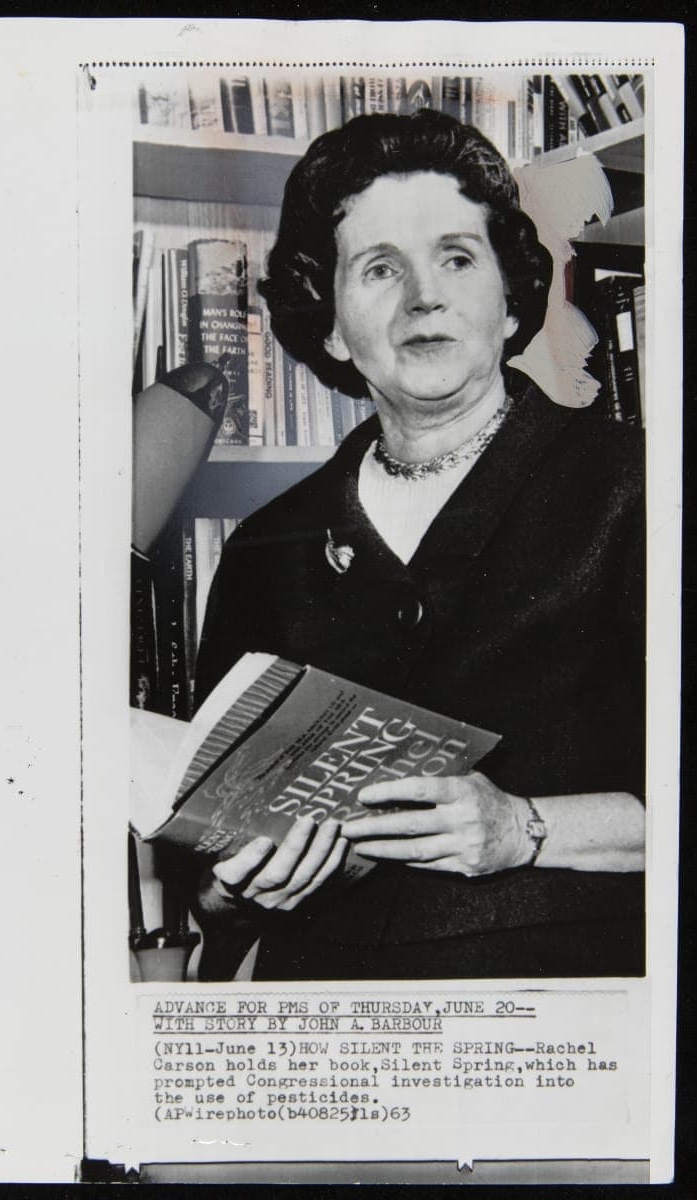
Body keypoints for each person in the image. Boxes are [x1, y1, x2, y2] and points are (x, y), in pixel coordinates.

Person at [190, 110, 645, 982]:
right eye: (378, 268)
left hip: (561, 1001)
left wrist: (525, 829)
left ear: (509, 302)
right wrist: (234, 890)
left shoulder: (639, 489)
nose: (422, 297)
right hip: (325, 1012)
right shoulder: (264, 547)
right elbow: (207, 861)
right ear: (330, 324)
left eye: (456, 259)